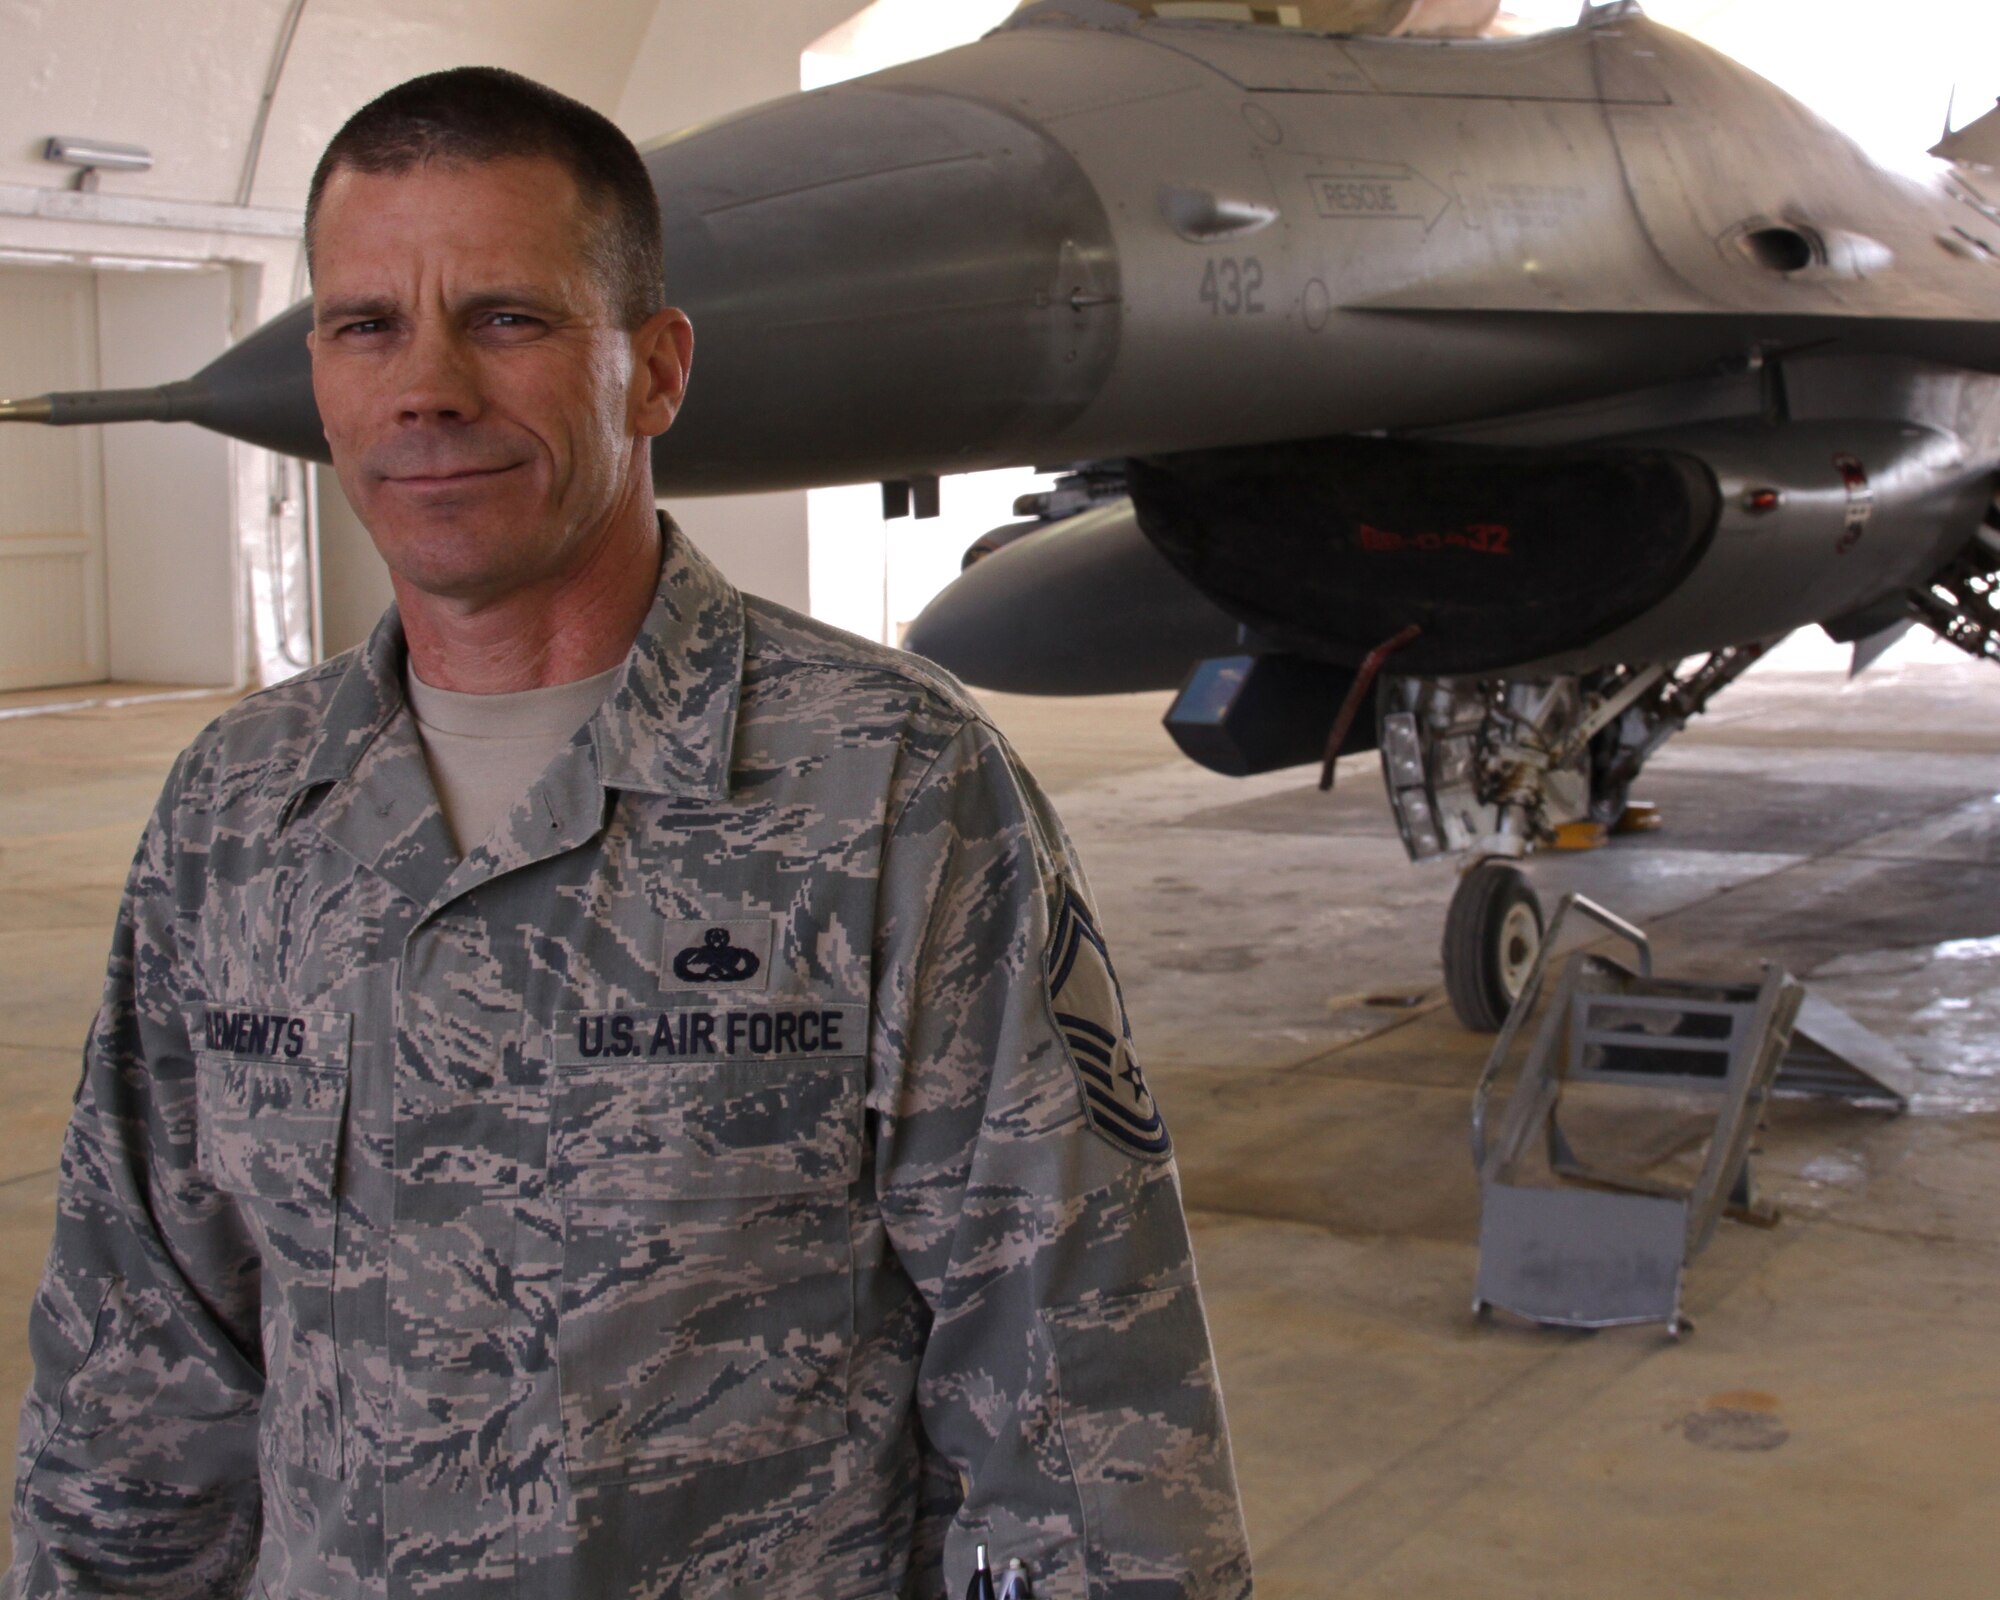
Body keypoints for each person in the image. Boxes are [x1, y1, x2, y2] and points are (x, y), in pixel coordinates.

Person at [5, 67, 1251, 1600]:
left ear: (655, 371)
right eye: (365, 324)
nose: (428, 389)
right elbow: (138, 1365)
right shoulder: (238, 809)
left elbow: (1075, 1388)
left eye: (509, 319)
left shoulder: (886, 786)